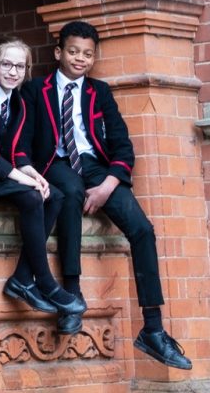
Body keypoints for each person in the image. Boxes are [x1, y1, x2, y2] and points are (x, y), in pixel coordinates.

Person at [23, 21, 192, 369]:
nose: (79, 59)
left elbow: (122, 146)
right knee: (69, 191)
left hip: (98, 169)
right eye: (72, 51)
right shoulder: (34, 89)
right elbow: (26, 140)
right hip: (54, 161)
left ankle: (153, 328)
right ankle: (72, 293)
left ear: (94, 57)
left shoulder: (100, 92)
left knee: (142, 229)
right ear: (58, 53)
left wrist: (108, 185)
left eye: (87, 54)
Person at [0, 37, 85, 320]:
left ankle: (22, 278)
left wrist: (34, 175)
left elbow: (18, 150)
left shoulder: (20, 101)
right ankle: (45, 282)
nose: (13, 72)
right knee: (30, 196)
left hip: (5, 171)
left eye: (20, 66)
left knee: (55, 194)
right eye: (6, 64)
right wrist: (19, 178)